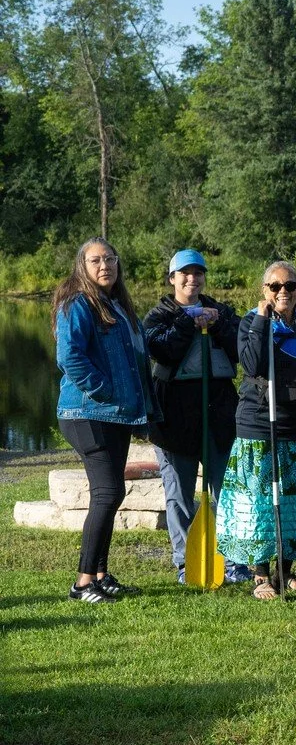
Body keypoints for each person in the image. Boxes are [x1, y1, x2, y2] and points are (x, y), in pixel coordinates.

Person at [217, 262, 296, 600]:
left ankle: (285, 572)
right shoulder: (250, 323)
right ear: (264, 291)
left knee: (294, 503)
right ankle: (260, 576)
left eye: (290, 285)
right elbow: (251, 364)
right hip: (258, 425)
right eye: (275, 286)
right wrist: (261, 319)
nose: (283, 292)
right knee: (259, 504)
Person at [54, 238, 155, 603]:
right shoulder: (77, 303)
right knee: (108, 492)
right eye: (95, 260)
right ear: (82, 265)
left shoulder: (118, 304)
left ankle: (99, 573)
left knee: (113, 494)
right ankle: (82, 583)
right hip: (86, 412)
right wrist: (106, 390)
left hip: (115, 416)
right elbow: (70, 357)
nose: (104, 266)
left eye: (109, 259)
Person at [143, 249, 245, 585]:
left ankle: (233, 562)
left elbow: (243, 349)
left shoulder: (222, 312)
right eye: (184, 273)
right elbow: (164, 350)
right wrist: (189, 322)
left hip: (218, 413)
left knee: (227, 492)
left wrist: (216, 326)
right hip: (174, 417)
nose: (192, 279)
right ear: (172, 278)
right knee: (179, 494)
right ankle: (186, 563)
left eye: (198, 273)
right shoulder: (158, 315)